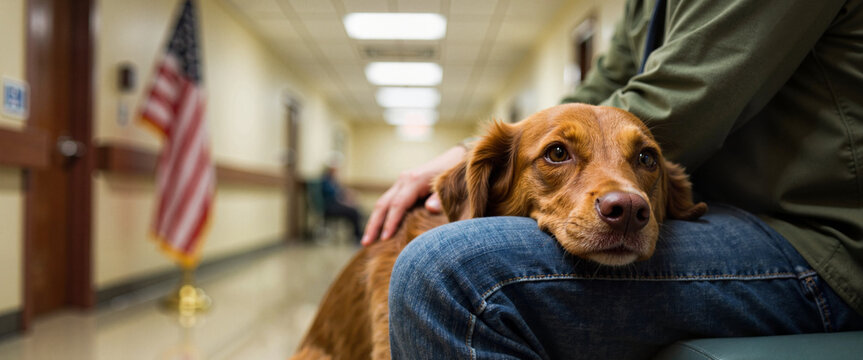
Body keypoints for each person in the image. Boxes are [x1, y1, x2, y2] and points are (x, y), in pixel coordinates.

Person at [363, 0, 863, 358]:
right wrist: (468, 151)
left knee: (450, 272)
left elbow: (683, 96)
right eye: (558, 154)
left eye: (643, 161)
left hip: (819, 244)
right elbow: (601, 88)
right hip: (738, 221)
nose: (624, 197)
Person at [319, 165, 363, 243]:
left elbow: (340, 193)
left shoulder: (333, 181)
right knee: (353, 212)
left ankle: (358, 234)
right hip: (329, 207)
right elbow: (333, 196)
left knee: (356, 210)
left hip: (335, 205)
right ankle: (357, 236)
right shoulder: (326, 181)